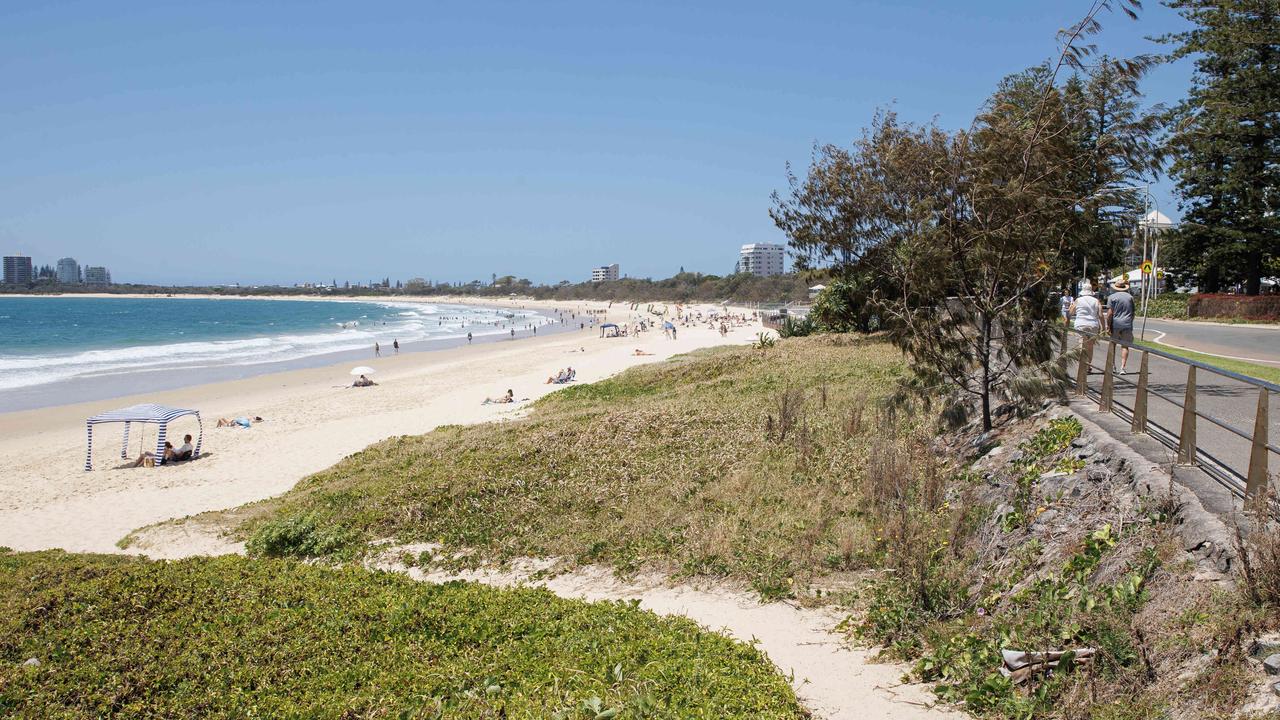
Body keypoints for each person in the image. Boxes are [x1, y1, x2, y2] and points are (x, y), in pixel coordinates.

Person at [1106, 279, 1136, 374]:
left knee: (1113, 345)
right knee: (1125, 346)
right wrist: (1130, 321)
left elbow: (1110, 313)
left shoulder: (1112, 297)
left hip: (1115, 323)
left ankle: (1113, 365)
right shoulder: (1130, 297)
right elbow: (1133, 313)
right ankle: (1122, 367)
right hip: (1127, 323)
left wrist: (1108, 325)